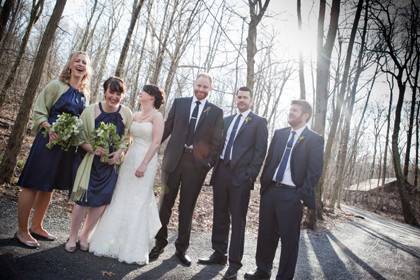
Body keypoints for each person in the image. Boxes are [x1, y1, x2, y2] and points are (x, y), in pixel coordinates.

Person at [15, 51, 91, 248]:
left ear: (87, 69)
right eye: (77, 60)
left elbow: (82, 122)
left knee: (48, 186)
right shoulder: (56, 86)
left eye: (84, 62)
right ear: (70, 65)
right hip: (47, 142)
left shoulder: (84, 95)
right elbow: (40, 111)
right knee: (32, 183)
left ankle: (37, 226)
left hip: (65, 149)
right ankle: (22, 231)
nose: (81, 64)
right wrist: (50, 128)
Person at [149, 73, 224, 266]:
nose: (201, 89)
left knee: (186, 209)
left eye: (205, 87)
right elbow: (167, 128)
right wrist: (151, 149)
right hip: (172, 162)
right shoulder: (180, 103)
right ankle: (159, 242)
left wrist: (207, 165)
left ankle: (181, 249)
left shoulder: (215, 112)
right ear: (194, 84)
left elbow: (217, 143)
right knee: (165, 205)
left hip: (196, 168)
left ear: (210, 89)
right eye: (199, 85)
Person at [245, 100, 324, 280]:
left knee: (289, 241)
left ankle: (284, 277)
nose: (290, 113)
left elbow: (314, 172)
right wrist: (265, 187)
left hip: (292, 195)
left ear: (305, 116)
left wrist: (300, 196)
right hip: (271, 191)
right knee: (266, 235)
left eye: (295, 110)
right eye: (290, 109)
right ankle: (262, 271)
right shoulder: (279, 134)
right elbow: (270, 160)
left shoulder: (315, 139)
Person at [89, 85, 165, 264]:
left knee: (138, 200)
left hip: (146, 160)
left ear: (152, 96)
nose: (140, 93)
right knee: (121, 196)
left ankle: (132, 248)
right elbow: (127, 139)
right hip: (130, 159)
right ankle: (110, 241)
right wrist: (119, 153)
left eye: (143, 91)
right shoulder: (136, 115)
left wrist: (144, 164)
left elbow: (156, 143)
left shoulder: (157, 116)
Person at [198, 87, 268, 279]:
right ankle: (219, 253)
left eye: (245, 97)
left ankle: (234, 262)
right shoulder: (227, 120)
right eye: (239, 97)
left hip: (241, 177)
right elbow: (217, 145)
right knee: (219, 214)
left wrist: (250, 176)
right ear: (235, 99)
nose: (241, 100)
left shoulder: (259, 122)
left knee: (238, 220)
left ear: (251, 100)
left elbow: (260, 151)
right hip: (221, 173)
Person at [64, 77, 132, 253]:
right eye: (112, 92)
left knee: (101, 202)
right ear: (105, 91)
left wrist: (119, 152)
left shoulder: (126, 113)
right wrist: (93, 149)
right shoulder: (90, 111)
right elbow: (78, 137)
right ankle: (72, 236)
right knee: (81, 200)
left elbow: (127, 138)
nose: (114, 97)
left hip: (110, 165)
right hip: (89, 163)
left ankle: (85, 235)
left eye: (119, 94)